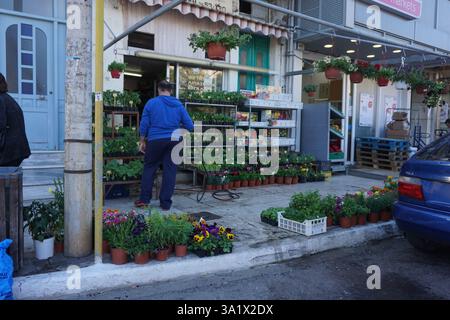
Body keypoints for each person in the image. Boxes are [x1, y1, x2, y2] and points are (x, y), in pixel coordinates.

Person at [135, 80, 194, 210]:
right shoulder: (178, 105)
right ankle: (165, 204)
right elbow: (190, 126)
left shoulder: (151, 103)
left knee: (149, 168)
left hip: (155, 140)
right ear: (171, 91)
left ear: (159, 90)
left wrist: (142, 140)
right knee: (170, 170)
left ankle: (144, 200)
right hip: (174, 141)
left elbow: (144, 123)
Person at [0, 73, 31, 167]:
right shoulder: (7, 98)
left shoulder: (1, 99)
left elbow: (1, 125)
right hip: (16, 149)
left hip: (10, 150)